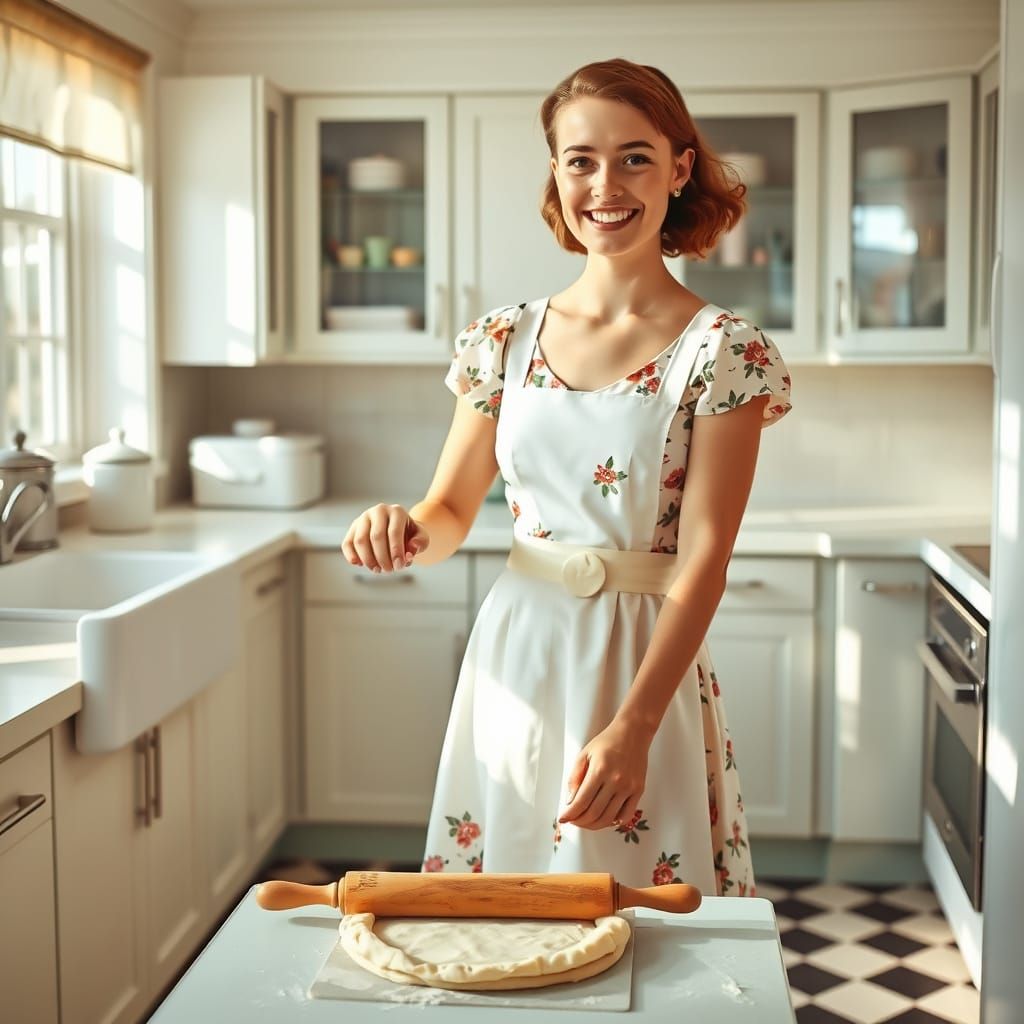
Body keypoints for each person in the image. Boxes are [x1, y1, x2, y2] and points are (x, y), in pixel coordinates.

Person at [342, 57, 792, 896]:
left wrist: (636, 726)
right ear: (557, 170)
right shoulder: (501, 340)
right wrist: (399, 528)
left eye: (634, 156)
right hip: (517, 653)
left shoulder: (726, 350)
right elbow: (448, 511)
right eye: (580, 159)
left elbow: (704, 559)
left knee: (640, 915)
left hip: (642, 669)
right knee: (504, 910)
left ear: (679, 167)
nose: (605, 184)